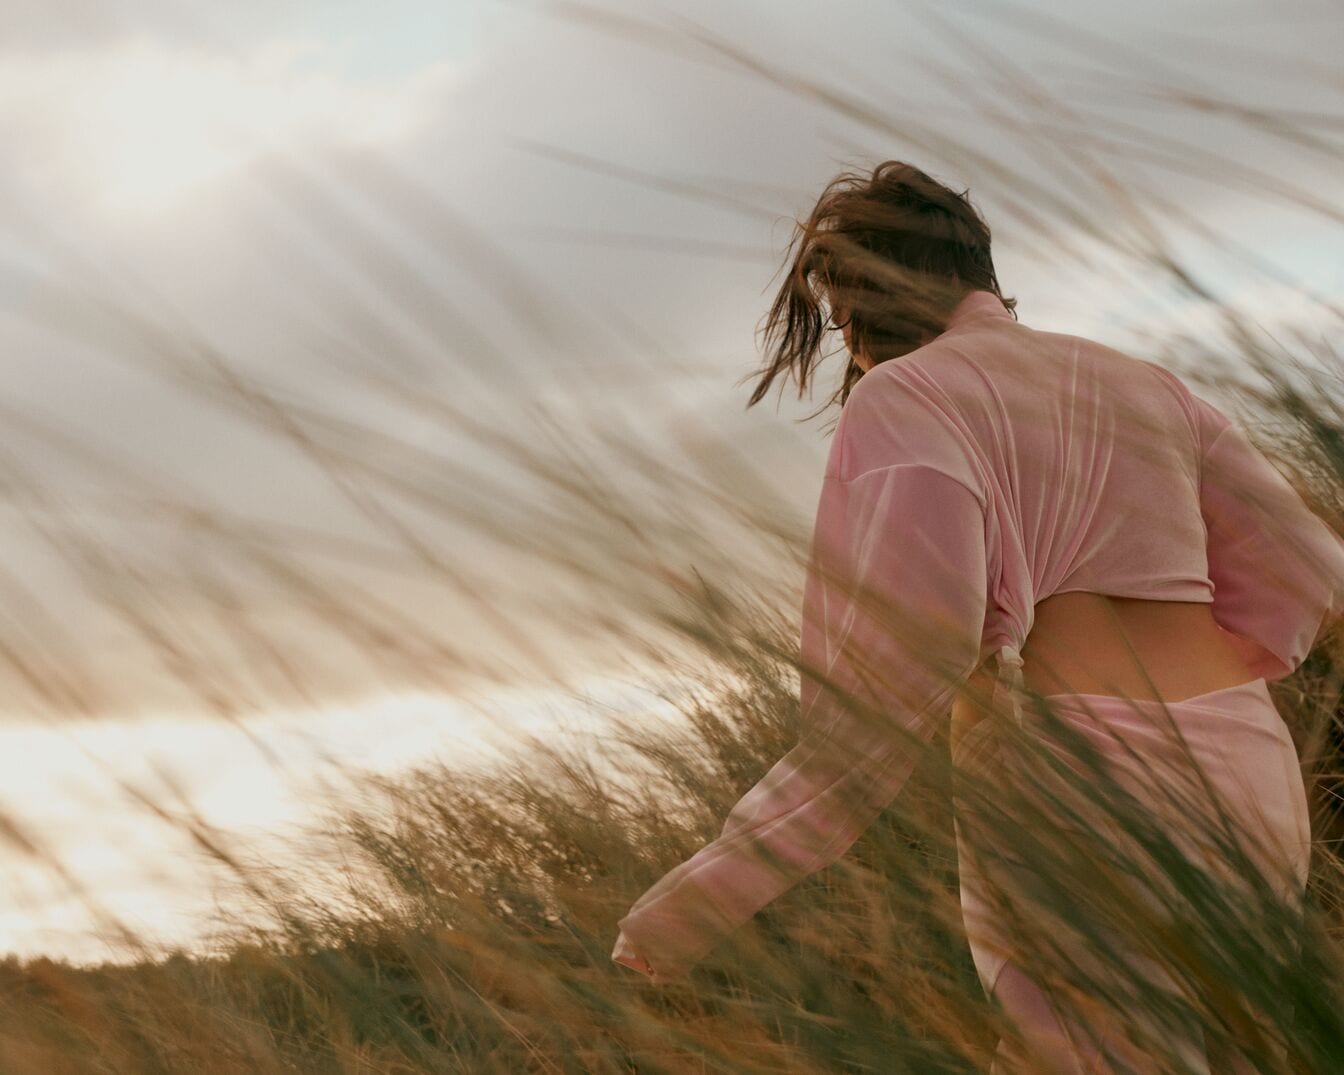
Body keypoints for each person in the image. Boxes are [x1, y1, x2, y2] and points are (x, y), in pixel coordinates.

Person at [610, 161, 1344, 1071]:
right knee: (1251, 1044)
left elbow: (893, 677)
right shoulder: (1152, 386)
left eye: (844, 321)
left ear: (878, 297)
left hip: (1083, 778)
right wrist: (1218, 644)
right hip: (1245, 760)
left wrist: (688, 908)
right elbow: (1312, 570)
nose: (852, 349)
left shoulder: (910, 398)